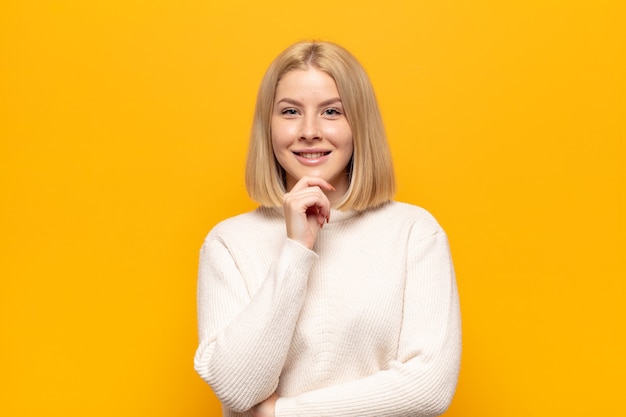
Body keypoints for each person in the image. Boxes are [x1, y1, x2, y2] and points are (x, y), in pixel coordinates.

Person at [194, 40, 461, 417]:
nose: (309, 131)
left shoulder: (414, 233)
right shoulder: (229, 243)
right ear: (267, 127)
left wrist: (281, 413)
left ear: (359, 124)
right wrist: (295, 250)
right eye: (290, 111)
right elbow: (238, 390)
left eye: (331, 112)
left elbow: (428, 388)